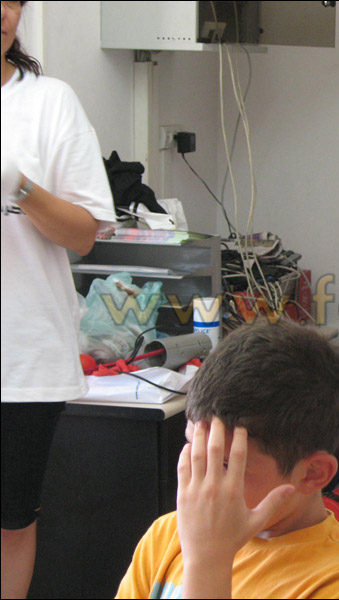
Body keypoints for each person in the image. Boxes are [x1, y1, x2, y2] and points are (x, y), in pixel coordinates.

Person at [116, 320, 339, 599]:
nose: (198, 481)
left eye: (225, 465)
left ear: (312, 473)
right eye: (195, 450)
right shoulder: (167, 536)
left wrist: (207, 561)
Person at [1, 1, 117, 597]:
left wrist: (20, 187)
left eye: (12, 0)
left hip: (20, 358)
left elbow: (83, 235)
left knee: (10, 520)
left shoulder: (49, 102)